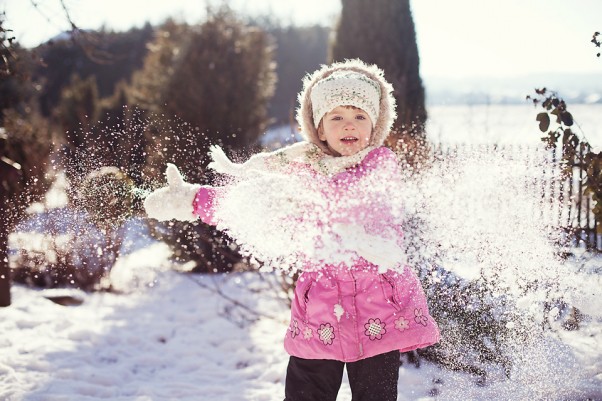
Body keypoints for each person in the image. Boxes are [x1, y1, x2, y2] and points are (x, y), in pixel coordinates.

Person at [144, 59, 440, 401]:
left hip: (378, 309)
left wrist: (303, 200)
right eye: (337, 116)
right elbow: (253, 205)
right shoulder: (301, 172)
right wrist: (194, 199)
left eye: (360, 116)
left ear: (374, 125)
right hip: (321, 311)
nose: (350, 125)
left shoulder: (381, 165)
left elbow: (356, 204)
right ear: (319, 127)